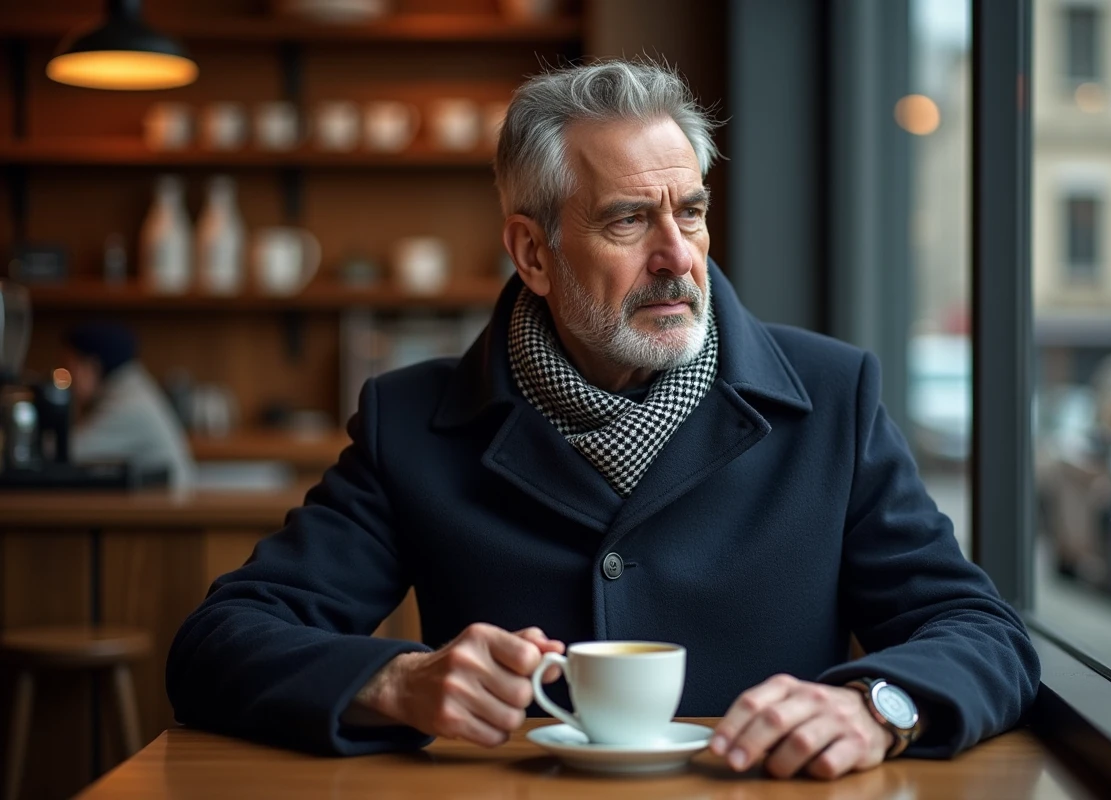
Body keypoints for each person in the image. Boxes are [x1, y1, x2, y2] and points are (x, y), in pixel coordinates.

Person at [167, 60, 1039, 781]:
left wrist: (873, 705)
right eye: (629, 220)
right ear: (533, 253)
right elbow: (217, 645)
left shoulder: (833, 394)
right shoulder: (412, 420)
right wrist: (398, 683)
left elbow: (982, 634)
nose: (677, 257)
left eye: (690, 212)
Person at [65, 322, 195, 488]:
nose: (68, 379)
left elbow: (70, 452)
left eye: (69, 367)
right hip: (157, 502)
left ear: (91, 365)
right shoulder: (128, 390)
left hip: (167, 509)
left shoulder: (129, 405)